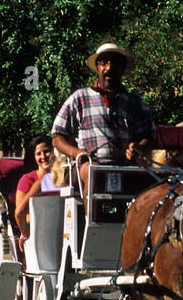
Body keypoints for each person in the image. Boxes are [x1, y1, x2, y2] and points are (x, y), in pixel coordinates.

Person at [51, 42, 155, 194]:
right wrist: (77, 153)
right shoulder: (80, 97)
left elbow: (149, 137)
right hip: (87, 166)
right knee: (92, 172)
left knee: (152, 184)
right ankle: (89, 217)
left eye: (115, 64)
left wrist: (138, 148)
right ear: (98, 68)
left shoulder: (135, 103)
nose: (109, 68)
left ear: (123, 69)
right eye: (104, 62)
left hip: (125, 166)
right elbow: (57, 136)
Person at [14, 134, 58, 240]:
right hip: (37, 233)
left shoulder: (64, 177)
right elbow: (21, 214)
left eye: (46, 151)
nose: (43, 157)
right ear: (34, 157)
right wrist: (25, 234)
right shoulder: (27, 180)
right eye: (38, 154)